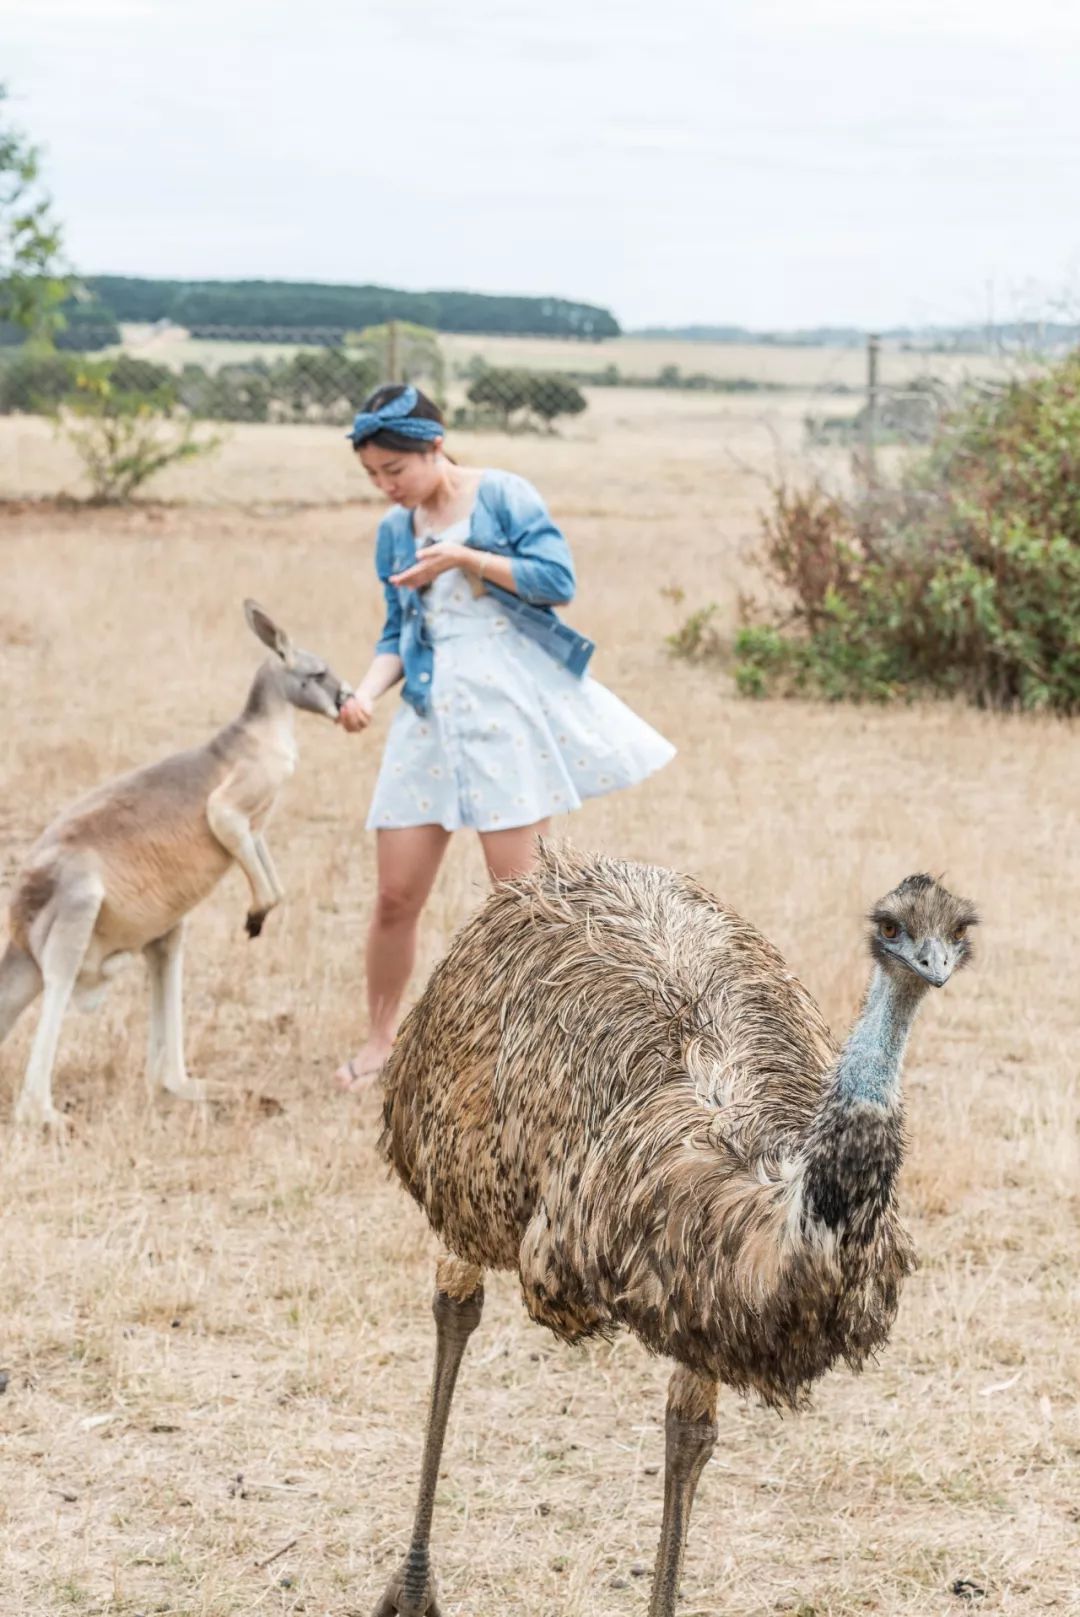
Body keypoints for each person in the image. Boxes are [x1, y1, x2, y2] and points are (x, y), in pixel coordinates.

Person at [334, 383, 674, 1090]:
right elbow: (398, 631)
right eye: (372, 475)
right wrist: (364, 693)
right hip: (429, 713)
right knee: (395, 894)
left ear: (435, 444)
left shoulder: (503, 496)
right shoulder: (395, 531)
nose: (385, 486)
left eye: (393, 470)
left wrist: (464, 559)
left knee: (522, 898)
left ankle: (545, 1052)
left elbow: (556, 580)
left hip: (502, 706)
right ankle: (379, 1040)